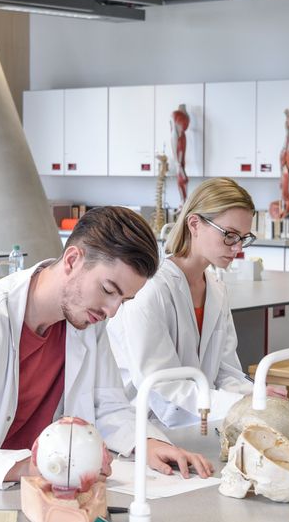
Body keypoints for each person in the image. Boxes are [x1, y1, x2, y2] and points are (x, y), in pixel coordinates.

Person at [0, 206, 213, 490]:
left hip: (34, 491)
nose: (112, 311)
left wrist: (146, 442)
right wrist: (31, 466)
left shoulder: (88, 322)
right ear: (73, 260)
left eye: (124, 300)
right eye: (108, 290)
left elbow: (108, 406)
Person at [108, 178, 268, 427]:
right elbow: (162, 388)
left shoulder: (216, 290)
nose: (237, 247)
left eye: (243, 238)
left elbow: (226, 373)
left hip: (195, 422)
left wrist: (258, 396)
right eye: (230, 235)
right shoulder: (150, 289)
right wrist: (238, 406)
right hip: (141, 428)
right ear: (194, 224)